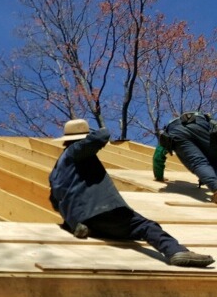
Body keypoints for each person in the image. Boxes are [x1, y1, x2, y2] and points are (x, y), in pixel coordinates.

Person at [50, 119, 214, 267]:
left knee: (133, 233)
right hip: (102, 209)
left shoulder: (56, 171)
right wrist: (90, 133)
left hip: (82, 221)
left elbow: (55, 203)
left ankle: (83, 228)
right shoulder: (75, 151)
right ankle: (176, 251)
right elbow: (102, 135)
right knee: (146, 226)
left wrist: (73, 219)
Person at [153, 111, 217, 204]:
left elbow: (158, 157)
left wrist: (159, 177)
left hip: (176, 133)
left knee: (198, 162)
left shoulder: (168, 133)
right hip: (200, 123)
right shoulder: (205, 119)